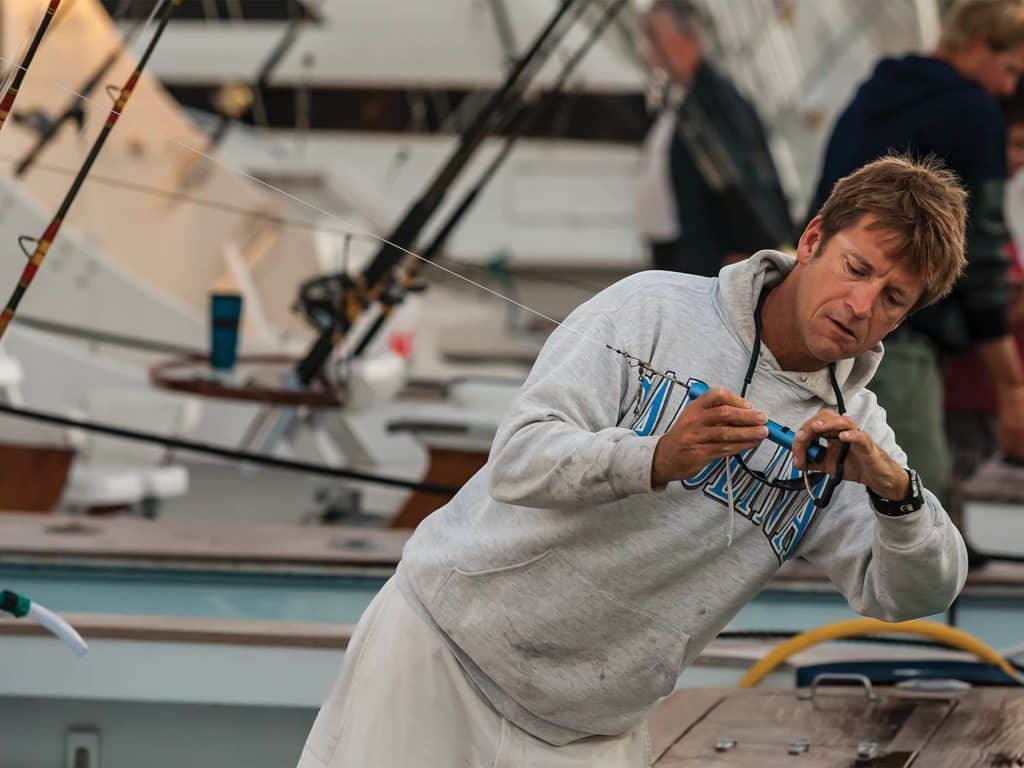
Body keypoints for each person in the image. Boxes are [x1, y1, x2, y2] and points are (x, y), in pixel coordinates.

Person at [296, 154, 969, 768]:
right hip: (437, 656)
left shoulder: (855, 433)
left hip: (590, 733)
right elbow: (519, 460)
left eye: (893, 299)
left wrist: (896, 494)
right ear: (814, 240)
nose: (862, 306)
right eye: (857, 269)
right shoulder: (651, 308)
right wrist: (655, 457)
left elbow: (912, 592)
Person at [808, 0, 1024, 506]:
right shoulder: (973, 112)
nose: (1010, 88)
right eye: (1011, 69)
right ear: (976, 45)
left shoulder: (873, 95)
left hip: (823, 321)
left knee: (831, 487)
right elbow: (983, 258)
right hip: (902, 334)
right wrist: (1011, 387)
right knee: (915, 490)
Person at [636, 0, 794, 277]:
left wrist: (745, 245)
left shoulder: (715, 99)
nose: (651, 53)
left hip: (709, 256)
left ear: (684, 38)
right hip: (678, 249)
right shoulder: (683, 97)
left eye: (655, 38)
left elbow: (746, 177)